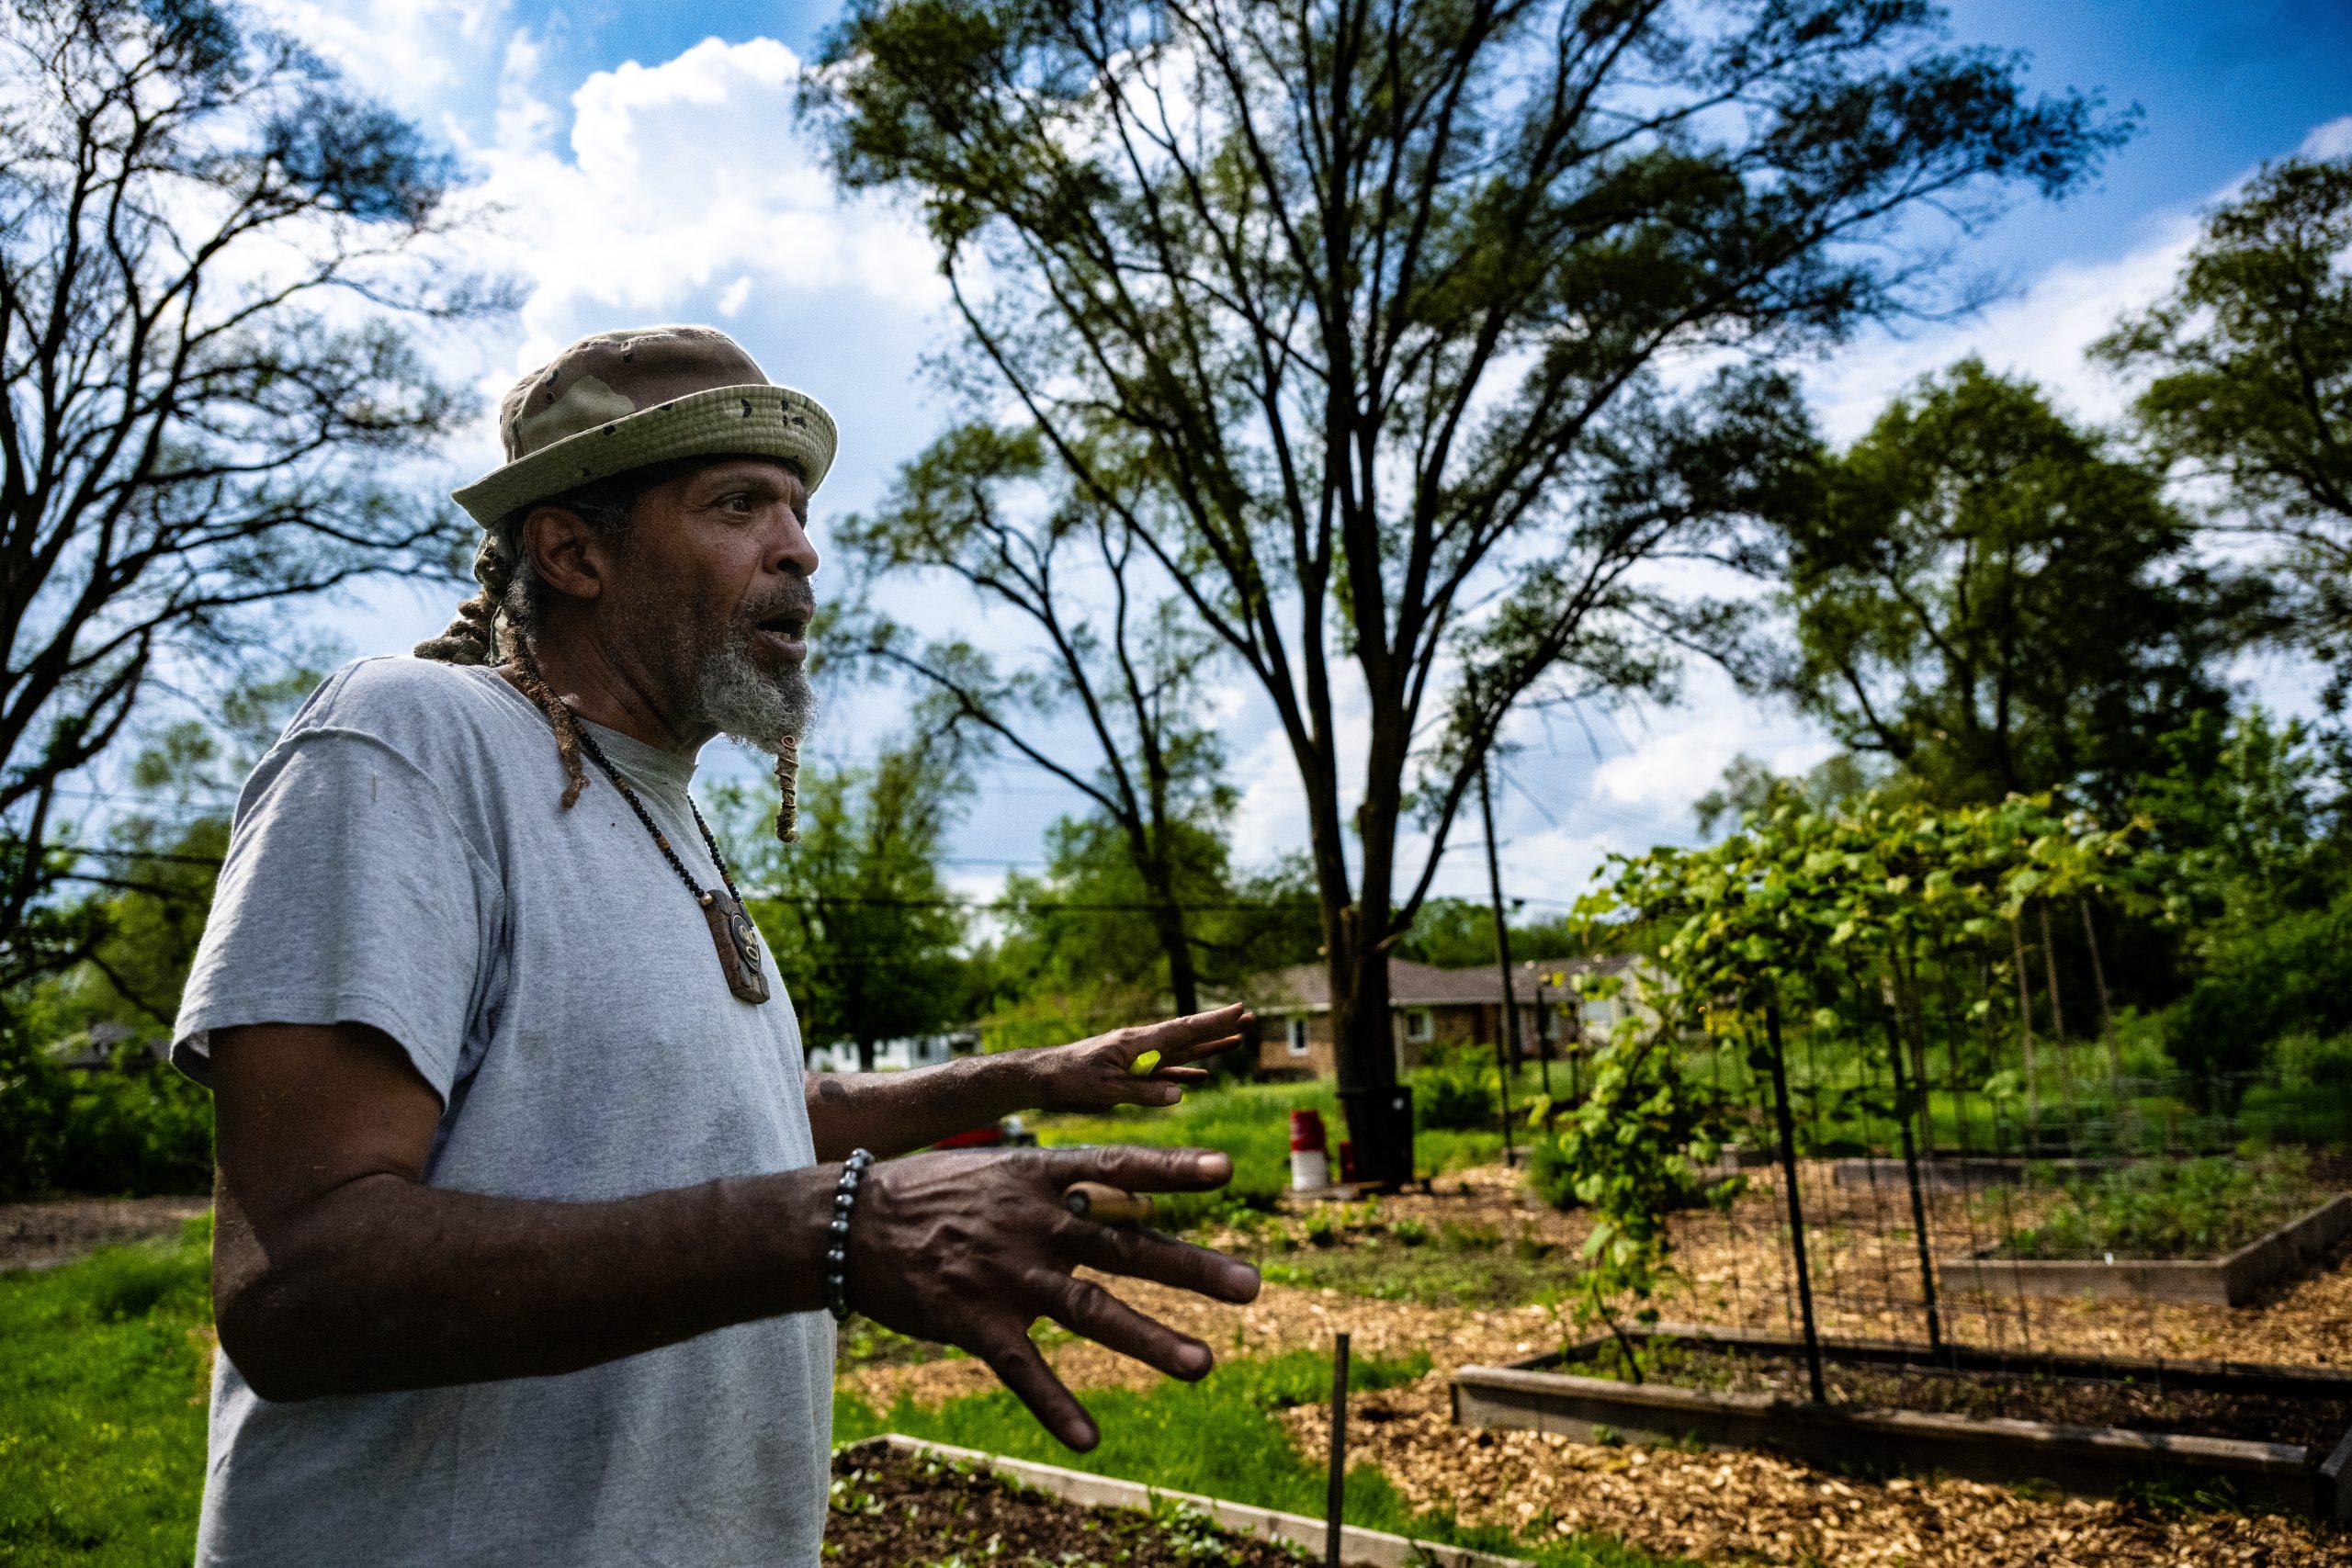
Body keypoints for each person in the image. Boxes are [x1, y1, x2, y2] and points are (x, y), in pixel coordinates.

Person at [170, 325, 1261, 1567]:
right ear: (574, 550)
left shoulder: (662, 815)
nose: (800, 548)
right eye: (738, 504)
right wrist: (838, 1231)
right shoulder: (409, 743)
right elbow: (302, 1284)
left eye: (795, 509)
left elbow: (732, 1121)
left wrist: (1016, 1078)